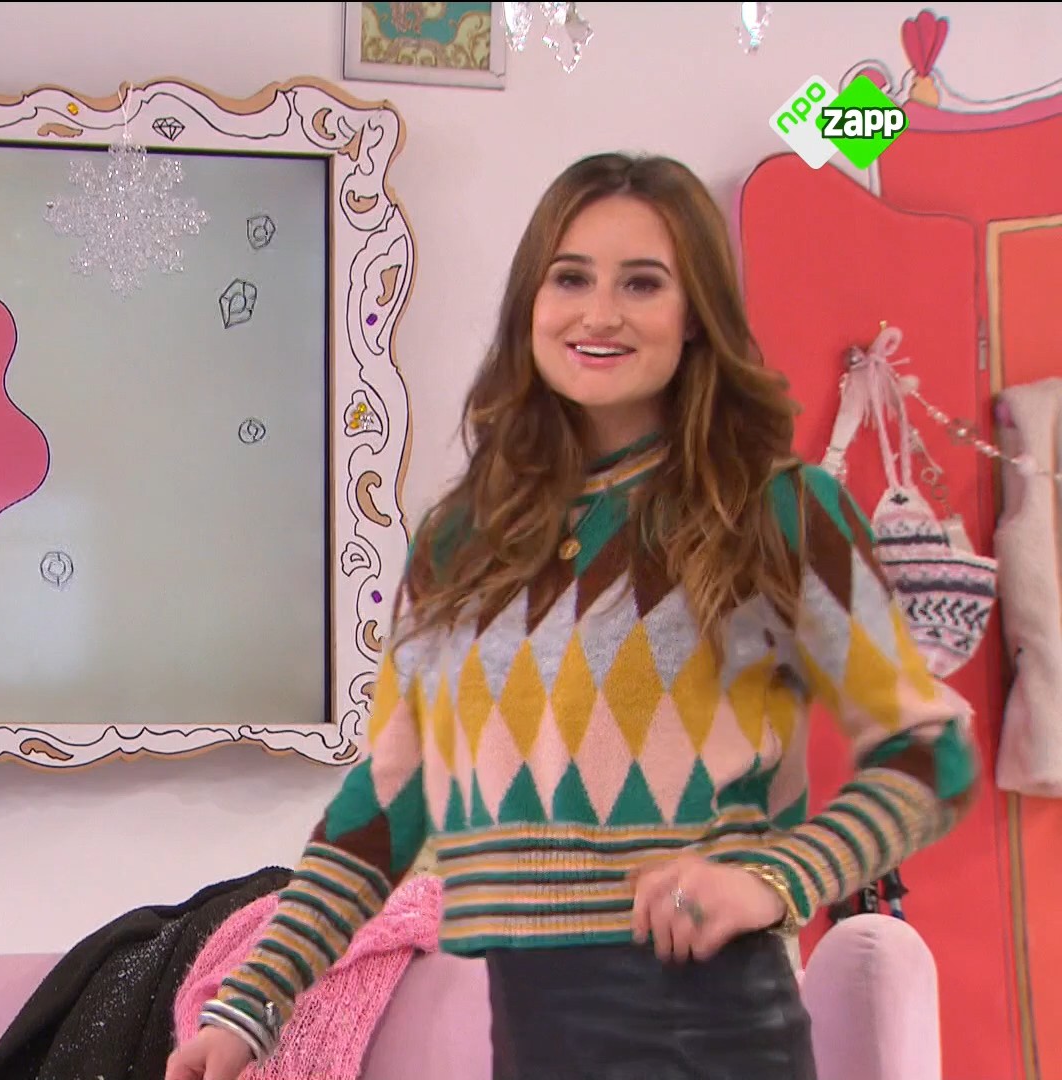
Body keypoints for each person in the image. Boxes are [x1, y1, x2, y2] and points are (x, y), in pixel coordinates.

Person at [165, 152, 979, 1080]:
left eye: (643, 283)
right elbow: (384, 804)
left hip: (712, 1035)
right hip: (528, 1032)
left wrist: (776, 878)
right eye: (571, 278)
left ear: (695, 315)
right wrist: (250, 1004)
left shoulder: (778, 511)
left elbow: (932, 753)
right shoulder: (460, 541)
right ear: (531, 303)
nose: (599, 313)